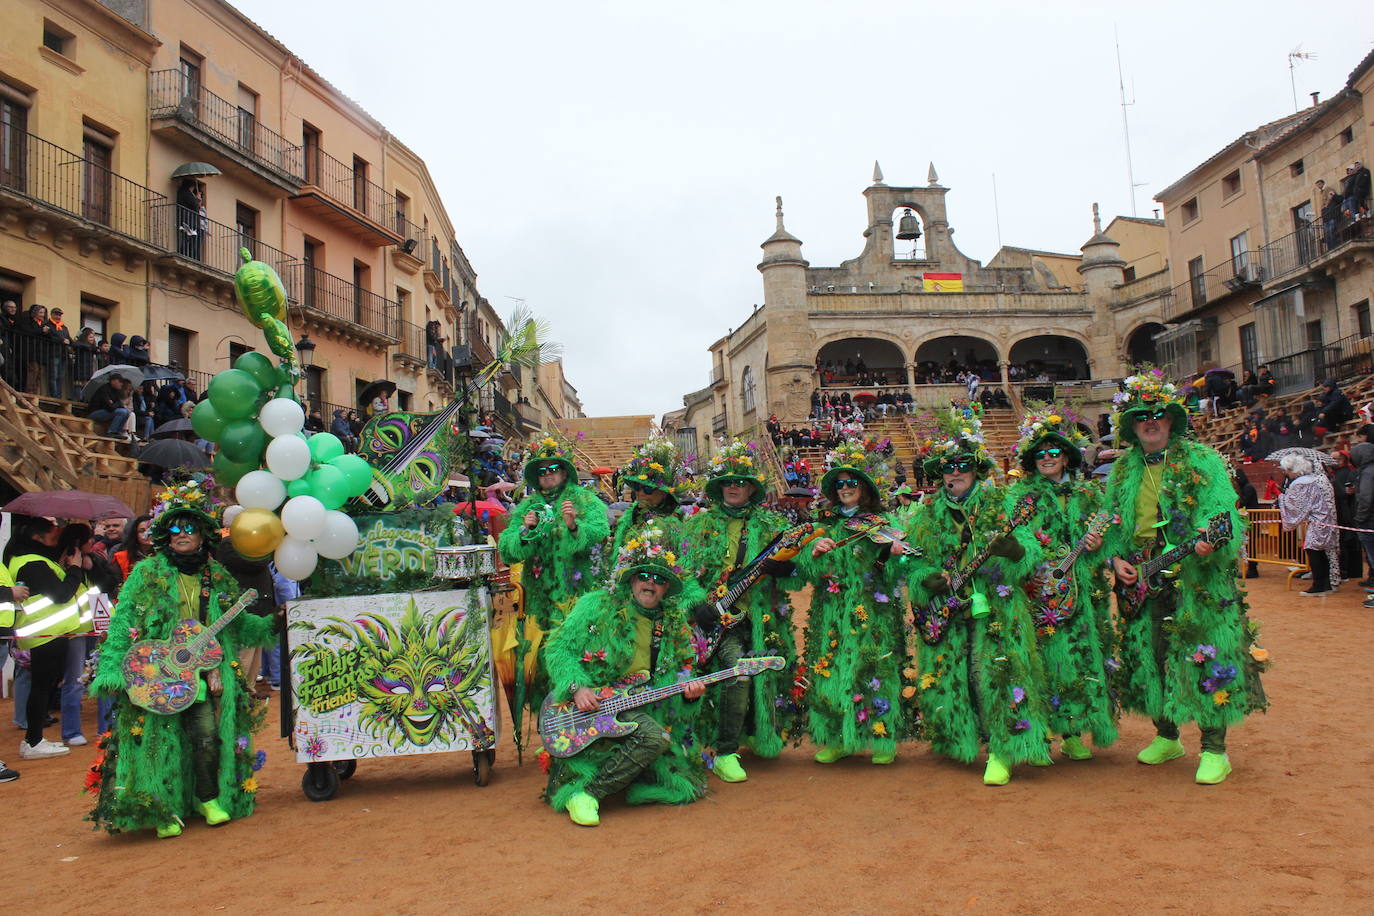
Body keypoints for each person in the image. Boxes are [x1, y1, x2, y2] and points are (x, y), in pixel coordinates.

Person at [1101, 369, 1267, 785]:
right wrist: (1115, 561)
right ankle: (1167, 735)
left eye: (1158, 414)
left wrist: (1210, 539)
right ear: (1132, 424)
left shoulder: (1201, 460)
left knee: (1205, 654)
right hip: (1143, 580)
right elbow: (1110, 525)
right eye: (1142, 416)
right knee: (1151, 656)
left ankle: (1214, 748)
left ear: (1172, 419)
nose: (1150, 421)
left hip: (1196, 578)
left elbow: (1221, 512)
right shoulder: (1122, 471)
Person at [88, 480, 277, 837]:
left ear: (204, 536)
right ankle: (165, 809)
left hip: (201, 675)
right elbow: (123, 619)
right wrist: (112, 668)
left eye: (189, 528)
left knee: (205, 738)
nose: (181, 534)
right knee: (160, 743)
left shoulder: (217, 576)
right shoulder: (147, 573)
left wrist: (271, 625)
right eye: (174, 528)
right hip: (156, 673)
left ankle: (207, 799)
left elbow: (238, 627)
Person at [901, 405, 1051, 785]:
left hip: (997, 604)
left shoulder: (1002, 504)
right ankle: (963, 740)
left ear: (977, 468)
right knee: (957, 674)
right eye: (948, 465)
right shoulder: (925, 514)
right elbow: (912, 565)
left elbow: (1031, 550)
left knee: (996, 672)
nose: (956, 471)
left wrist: (1014, 550)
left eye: (963, 464)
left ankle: (1002, 749)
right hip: (949, 610)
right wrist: (925, 578)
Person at [542, 526, 706, 826]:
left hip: (641, 704)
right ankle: (588, 793)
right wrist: (577, 687)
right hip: (590, 708)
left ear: (667, 588)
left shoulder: (673, 622)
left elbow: (685, 667)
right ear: (631, 578)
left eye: (659, 579)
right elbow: (558, 649)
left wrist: (689, 691)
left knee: (683, 779)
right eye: (644, 575)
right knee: (653, 739)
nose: (650, 584)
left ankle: (623, 777)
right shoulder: (596, 606)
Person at [680, 439, 801, 783]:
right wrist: (696, 604)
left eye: (741, 482)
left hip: (761, 618)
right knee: (736, 672)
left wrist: (788, 569)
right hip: (715, 622)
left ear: (752, 488)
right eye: (728, 482)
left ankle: (752, 737)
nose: (734, 487)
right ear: (719, 487)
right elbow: (683, 574)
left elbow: (801, 571)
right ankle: (726, 751)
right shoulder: (697, 525)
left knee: (761, 680)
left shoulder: (770, 525)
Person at [1005, 407, 1117, 761]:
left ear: (1067, 456)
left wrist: (1101, 546)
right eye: (1039, 454)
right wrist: (1038, 560)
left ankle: (1073, 730)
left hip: (1086, 594)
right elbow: (1016, 536)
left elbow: (1112, 537)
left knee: (1082, 658)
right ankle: (1040, 733)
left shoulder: (1089, 494)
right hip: (1039, 593)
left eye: (1054, 453)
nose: (1047, 459)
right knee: (1041, 662)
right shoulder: (1021, 496)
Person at [797, 440, 914, 765]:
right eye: (840, 484)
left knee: (876, 666)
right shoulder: (825, 524)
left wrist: (894, 558)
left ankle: (883, 738)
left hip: (872, 608)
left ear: (864, 488)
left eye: (851, 483)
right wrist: (815, 550)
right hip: (833, 610)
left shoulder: (882, 524)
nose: (845, 488)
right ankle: (839, 738)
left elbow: (897, 574)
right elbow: (807, 569)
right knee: (832, 668)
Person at [497, 433, 610, 712]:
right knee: (541, 667)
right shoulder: (526, 507)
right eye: (541, 471)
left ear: (563, 472)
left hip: (577, 600)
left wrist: (574, 527)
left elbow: (601, 532)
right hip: (538, 604)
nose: (548, 475)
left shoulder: (584, 500)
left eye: (553, 469)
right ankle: (549, 725)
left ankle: (584, 726)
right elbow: (508, 550)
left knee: (580, 658)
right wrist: (525, 530)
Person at [8, 516, 93, 760]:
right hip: (44, 632)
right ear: (38, 536)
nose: (56, 540)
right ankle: (33, 742)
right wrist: (75, 568)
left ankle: (34, 739)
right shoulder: (33, 562)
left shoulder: (31, 559)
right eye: (53, 536)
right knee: (41, 687)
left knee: (44, 687)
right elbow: (61, 594)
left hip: (48, 631)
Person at [607, 434, 684, 565]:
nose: (640, 493)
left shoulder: (675, 525)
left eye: (648, 489)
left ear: (664, 493)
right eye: (637, 487)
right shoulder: (631, 515)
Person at [1278, 453, 1340, 596]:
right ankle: (1325, 584)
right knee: (1320, 551)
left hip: (1318, 522)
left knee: (1313, 551)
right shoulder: (1316, 479)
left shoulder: (1302, 482)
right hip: (1325, 520)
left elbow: (1296, 506)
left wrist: (1281, 498)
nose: (1287, 474)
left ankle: (1319, 585)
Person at [44, 307, 72, 398]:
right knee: (53, 376)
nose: (58, 316)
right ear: (51, 314)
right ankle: (54, 395)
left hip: (63, 354)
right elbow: (49, 337)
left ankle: (58, 395)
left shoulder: (64, 327)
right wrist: (62, 340)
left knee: (61, 376)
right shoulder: (47, 325)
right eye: (56, 314)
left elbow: (69, 339)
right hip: (53, 353)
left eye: (59, 315)